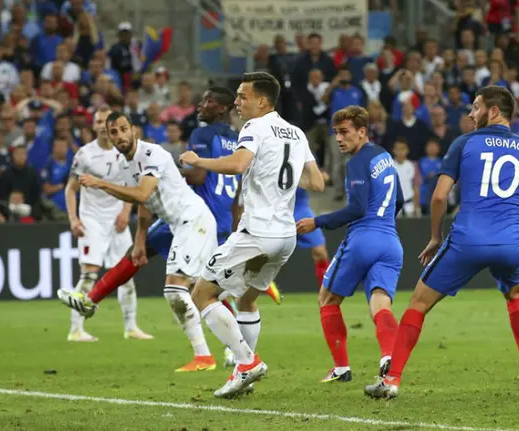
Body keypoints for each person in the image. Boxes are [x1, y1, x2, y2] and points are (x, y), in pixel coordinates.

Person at [365, 86, 519, 399]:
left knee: (417, 303)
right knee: (515, 295)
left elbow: (440, 196)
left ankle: (391, 381)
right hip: (510, 244)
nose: (470, 114)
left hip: (467, 241)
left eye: (476, 107)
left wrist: (435, 237)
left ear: (493, 112)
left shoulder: (464, 143)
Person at [178, 71, 326, 398]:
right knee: (246, 300)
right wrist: (277, 176)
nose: (237, 102)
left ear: (262, 101)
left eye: (243, 97)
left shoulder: (254, 127)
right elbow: (317, 183)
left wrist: (197, 158)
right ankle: (242, 375)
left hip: (258, 232)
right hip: (285, 235)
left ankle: (247, 363)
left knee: (201, 294)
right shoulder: (296, 133)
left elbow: (237, 164)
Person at [58, 111, 220, 371]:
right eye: (114, 132)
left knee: (179, 290)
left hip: (192, 219)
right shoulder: (125, 165)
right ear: (109, 136)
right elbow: (143, 200)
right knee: (141, 258)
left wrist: (101, 183)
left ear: (133, 130)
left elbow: (142, 191)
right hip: (173, 222)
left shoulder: (152, 154)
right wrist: (141, 239)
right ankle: (91, 301)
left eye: (124, 129)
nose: (120, 136)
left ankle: (206, 356)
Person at [296, 105, 404, 383]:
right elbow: (399, 200)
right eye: (336, 133)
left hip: (363, 238)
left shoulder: (357, 162)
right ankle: (388, 357)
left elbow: (356, 208)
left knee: (327, 299)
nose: (339, 139)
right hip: (391, 241)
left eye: (344, 132)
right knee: (381, 304)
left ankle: (341, 368)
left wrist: (317, 222)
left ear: (362, 131)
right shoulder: (385, 156)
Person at [58, 107, 152, 342]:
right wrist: (73, 219)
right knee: (90, 273)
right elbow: (70, 189)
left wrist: (125, 212)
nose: (102, 125)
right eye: (98, 121)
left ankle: (131, 327)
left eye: (106, 121)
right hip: (92, 219)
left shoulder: (125, 153)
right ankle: (76, 329)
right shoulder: (85, 154)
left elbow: (134, 186)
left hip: (117, 219)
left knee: (127, 275)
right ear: (93, 125)